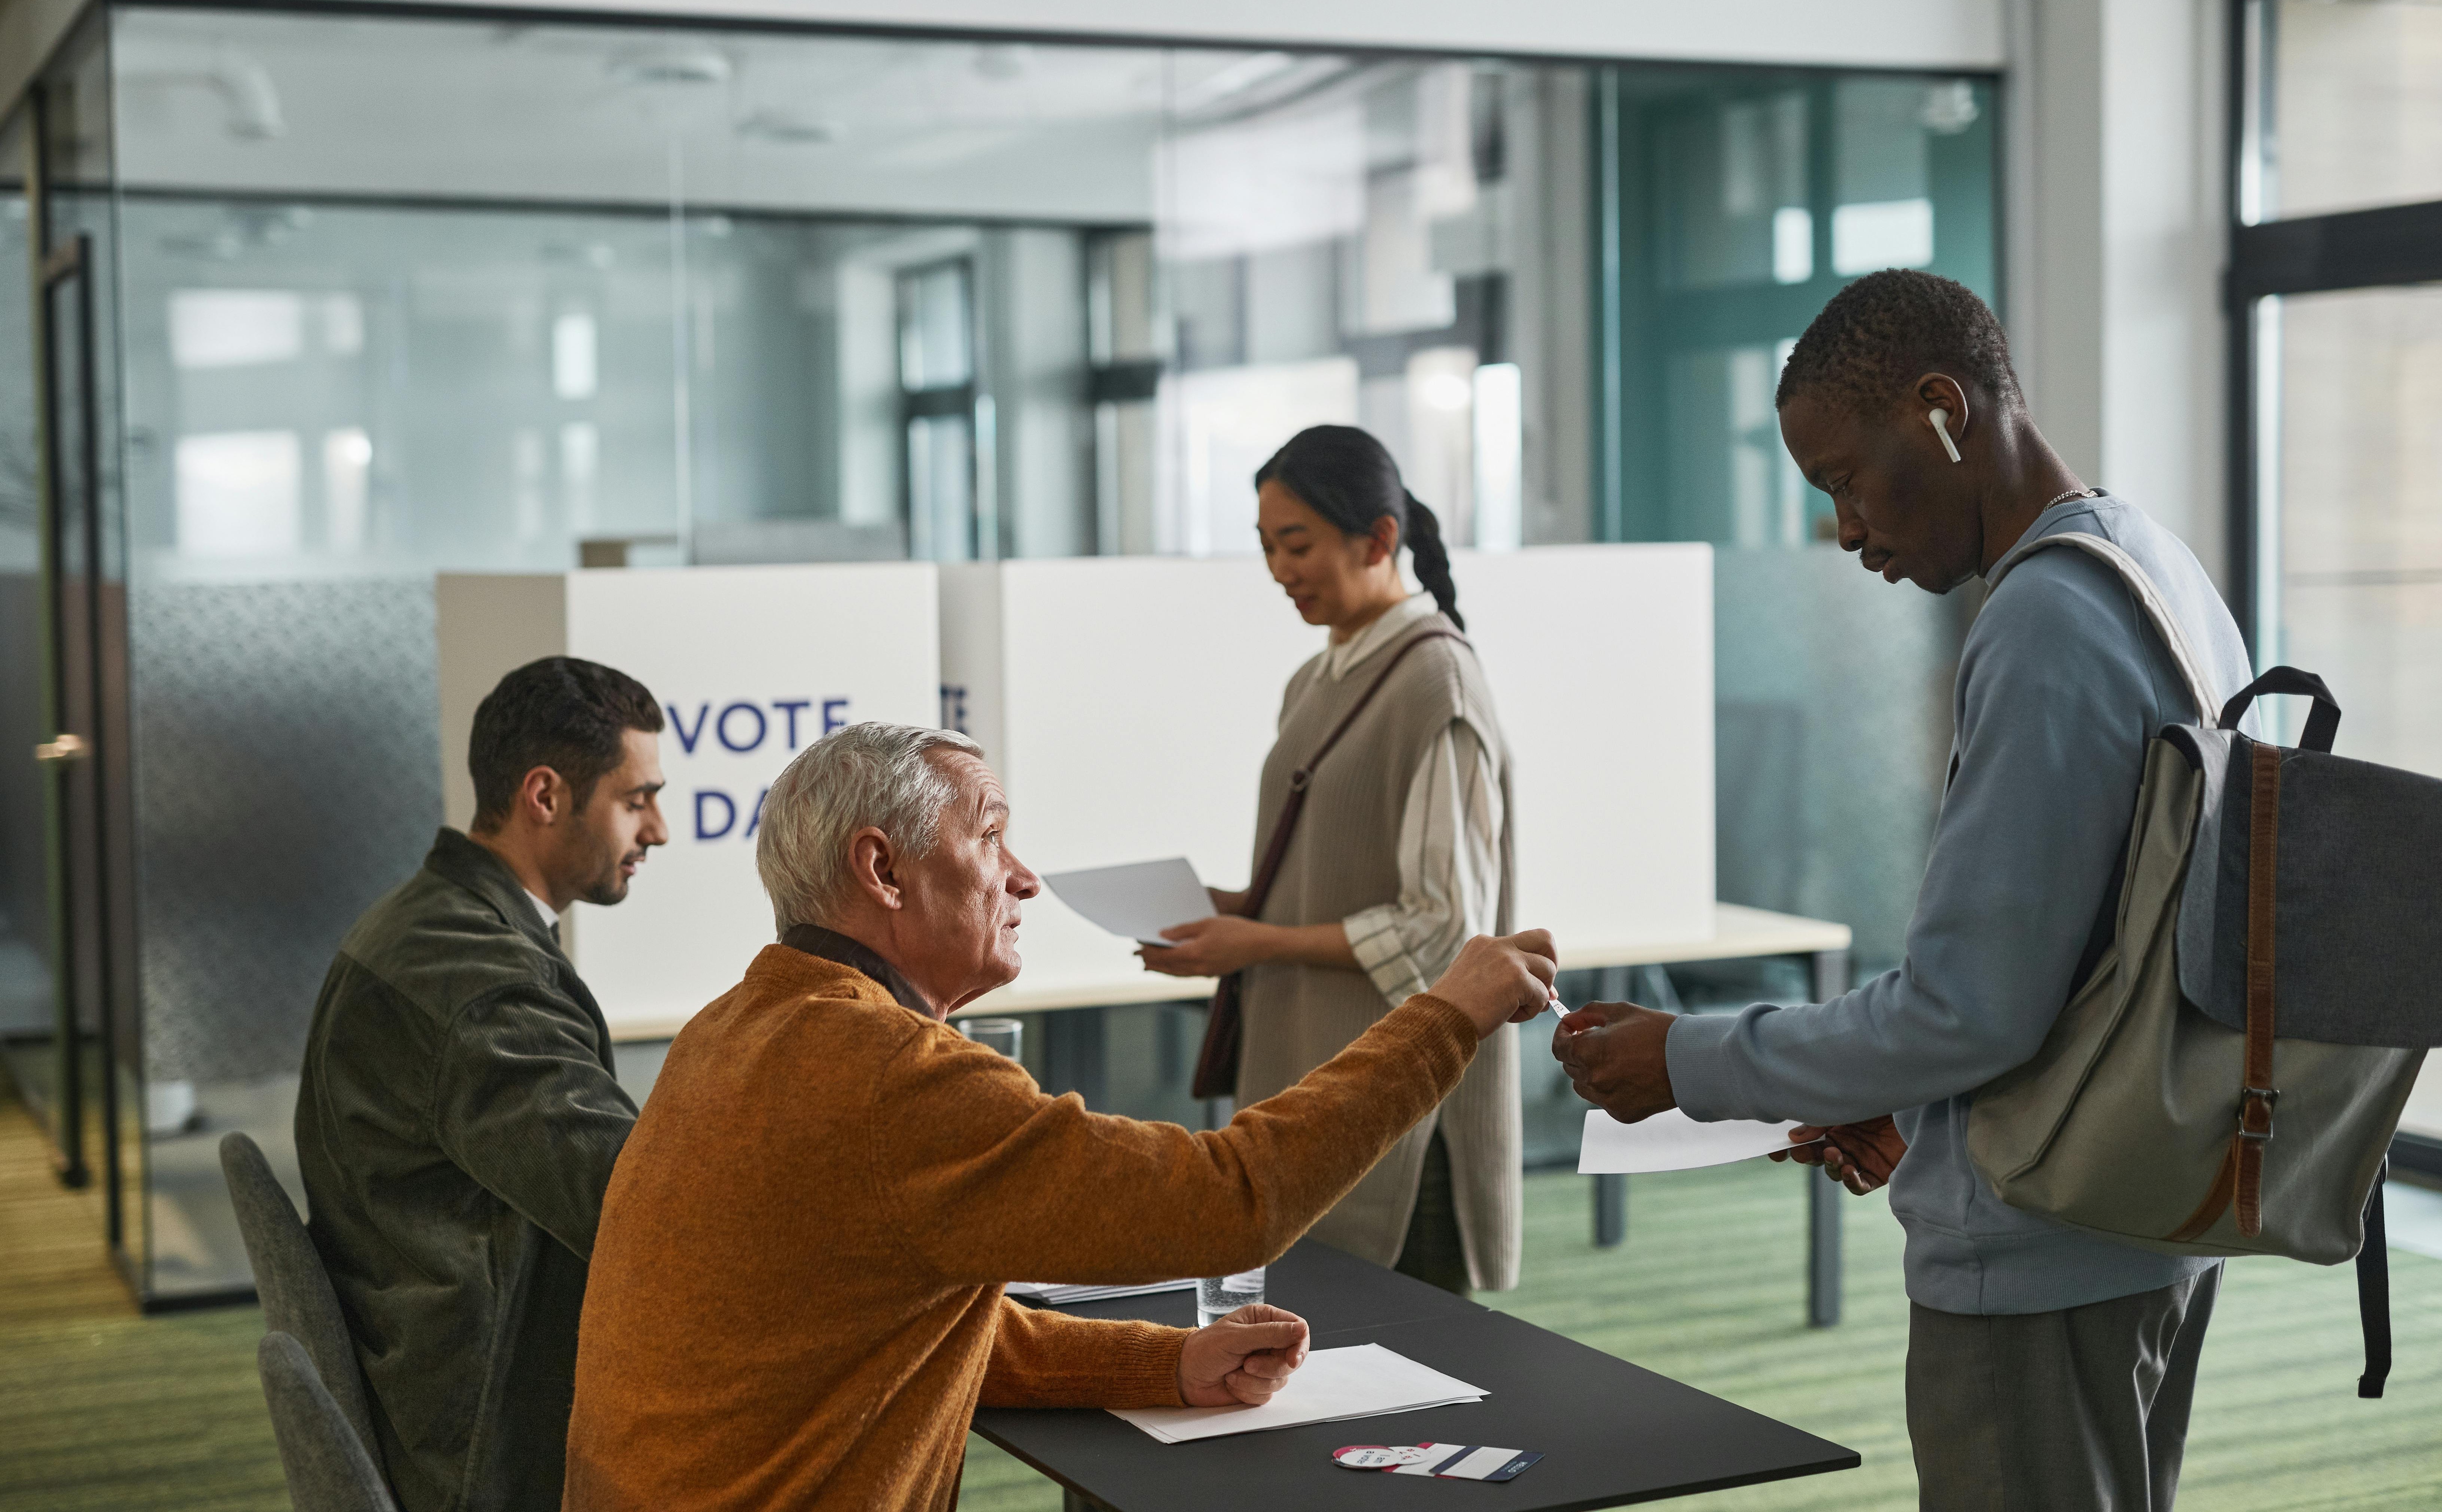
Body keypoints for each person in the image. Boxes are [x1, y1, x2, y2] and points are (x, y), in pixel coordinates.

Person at [1551, 269, 2252, 1511]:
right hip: (2143, 1204)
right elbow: (2095, 954)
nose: (1845, 530)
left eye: (1844, 480)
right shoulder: (2152, 564)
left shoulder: (2042, 618)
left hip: (2039, 1253)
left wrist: (1686, 1061)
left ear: (1942, 410)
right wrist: (1922, 1112)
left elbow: (1967, 1010)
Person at [562, 722, 1556, 1512]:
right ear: (883, 870)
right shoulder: (887, 1074)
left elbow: (892, 1325)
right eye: (988, 835)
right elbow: (1230, 1202)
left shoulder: (730, 1031)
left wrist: (1165, 1360)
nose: (1023, 876)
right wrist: (1445, 1015)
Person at [1140, 424, 1521, 1297]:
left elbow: (1442, 934)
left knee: (1411, 1392)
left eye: (1298, 543)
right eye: (1269, 546)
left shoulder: (1437, 686)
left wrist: (1256, 943)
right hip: (1317, 1088)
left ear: (1379, 539)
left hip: (1400, 1109)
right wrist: (1233, 910)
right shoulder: (1318, 679)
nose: (1281, 569)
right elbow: (1334, 879)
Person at [295, 656, 669, 1512]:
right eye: (636, 798)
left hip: (427, 1363)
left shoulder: (430, 920)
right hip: (486, 1434)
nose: (659, 830)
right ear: (545, 796)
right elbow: (637, 1207)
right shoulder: (480, 984)